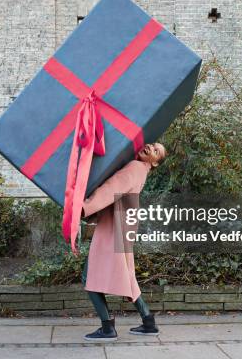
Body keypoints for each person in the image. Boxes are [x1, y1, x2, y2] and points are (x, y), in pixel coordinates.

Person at [79, 142, 167, 342]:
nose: (151, 147)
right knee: (126, 275)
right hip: (123, 228)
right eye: (152, 145)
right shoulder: (140, 170)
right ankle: (148, 321)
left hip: (115, 228)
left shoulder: (135, 167)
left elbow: (112, 188)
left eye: (156, 151)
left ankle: (107, 327)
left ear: (155, 164)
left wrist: (84, 207)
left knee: (88, 277)